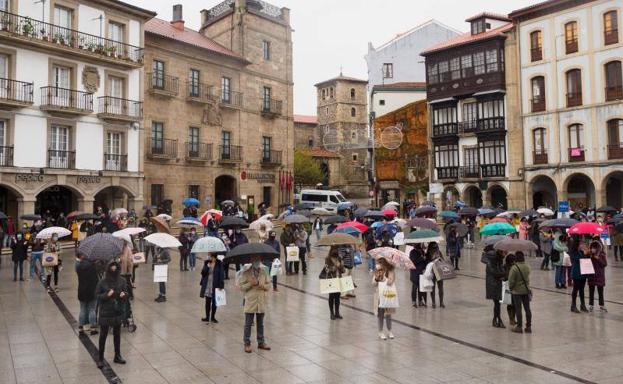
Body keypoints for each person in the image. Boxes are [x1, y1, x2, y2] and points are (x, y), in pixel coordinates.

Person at [95, 261, 128, 368]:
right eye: (112, 269)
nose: (114, 271)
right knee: (103, 335)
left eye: (116, 269)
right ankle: (100, 358)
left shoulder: (122, 280)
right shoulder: (102, 282)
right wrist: (106, 295)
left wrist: (124, 295)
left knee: (117, 335)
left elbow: (127, 293)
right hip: (105, 312)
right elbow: (97, 296)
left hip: (117, 311)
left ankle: (117, 355)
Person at [238, 255, 271, 353]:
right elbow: (241, 287)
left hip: (261, 301)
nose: (257, 262)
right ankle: (247, 343)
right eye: (255, 260)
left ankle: (261, 342)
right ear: (251, 261)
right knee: (248, 324)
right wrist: (250, 284)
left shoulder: (264, 272)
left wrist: (259, 284)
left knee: (260, 323)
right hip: (251, 301)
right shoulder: (246, 273)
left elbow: (268, 285)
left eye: (258, 260)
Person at [507, 251, 531, 333]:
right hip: (526, 290)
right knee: (527, 309)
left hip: (517, 292)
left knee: (518, 309)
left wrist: (511, 288)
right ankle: (528, 326)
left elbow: (511, 282)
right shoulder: (527, 266)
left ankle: (519, 326)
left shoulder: (514, 268)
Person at [76, 253, 99, 335]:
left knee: (82, 309)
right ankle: (93, 328)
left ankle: (80, 328)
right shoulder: (93, 267)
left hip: (81, 290)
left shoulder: (78, 266)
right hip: (92, 291)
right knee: (92, 309)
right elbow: (96, 280)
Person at [373, 257, 396, 340]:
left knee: (388, 314)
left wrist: (384, 278)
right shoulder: (378, 271)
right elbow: (374, 284)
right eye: (379, 263)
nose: (379, 265)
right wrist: (376, 278)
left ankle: (389, 331)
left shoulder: (391, 271)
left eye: (380, 263)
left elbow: (390, 282)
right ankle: (380, 331)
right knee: (381, 314)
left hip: (388, 295)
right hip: (380, 295)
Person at [484, 247, 506, 328]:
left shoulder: (498, 259)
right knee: (497, 303)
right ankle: (497, 320)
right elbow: (494, 272)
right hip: (492, 283)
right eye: (503, 252)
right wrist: (503, 274)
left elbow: (501, 269)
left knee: (497, 303)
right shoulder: (492, 259)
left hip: (497, 282)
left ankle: (497, 319)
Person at [320, 248, 344, 320]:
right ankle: (331, 313)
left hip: (338, 279)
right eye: (334, 250)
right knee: (331, 297)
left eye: (336, 250)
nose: (335, 251)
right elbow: (327, 270)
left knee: (337, 297)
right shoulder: (328, 259)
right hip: (331, 280)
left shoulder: (339, 258)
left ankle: (337, 312)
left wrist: (341, 265)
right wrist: (335, 266)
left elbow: (343, 270)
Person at [199, 253, 224, 323]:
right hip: (208, 284)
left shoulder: (219, 263)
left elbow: (221, 274)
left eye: (211, 256)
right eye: (209, 257)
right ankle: (207, 317)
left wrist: (221, 285)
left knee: (214, 302)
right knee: (207, 301)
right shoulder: (207, 262)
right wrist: (207, 266)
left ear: (214, 257)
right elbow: (203, 273)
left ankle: (213, 317)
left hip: (215, 284)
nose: (210, 258)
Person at [570, 238, 589, 313]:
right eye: (581, 243)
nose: (582, 245)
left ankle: (583, 305)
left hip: (583, 273)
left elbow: (586, 260)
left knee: (582, 289)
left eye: (583, 243)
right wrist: (584, 254)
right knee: (575, 289)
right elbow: (576, 259)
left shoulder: (581, 251)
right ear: (577, 244)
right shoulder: (574, 252)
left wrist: (588, 253)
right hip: (576, 273)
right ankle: (573, 305)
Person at [587, 240, 607, 312]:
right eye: (592, 248)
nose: (593, 249)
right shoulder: (589, 255)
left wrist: (598, 258)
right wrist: (588, 255)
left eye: (594, 248)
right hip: (591, 275)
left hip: (599, 276)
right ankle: (591, 305)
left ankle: (601, 305)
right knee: (591, 291)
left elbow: (604, 264)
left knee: (600, 291)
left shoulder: (602, 254)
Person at [426, 242, 445, 308]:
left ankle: (441, 302)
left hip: (439, 271)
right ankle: (433, 303)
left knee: (440, 288)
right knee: (433, 288)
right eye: (434, 247)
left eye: (436, 247)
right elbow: (427, 263)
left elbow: (443, 261)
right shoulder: (428, 253)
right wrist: (432, 260)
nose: (435, 248)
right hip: (432, 272)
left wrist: (440, 259)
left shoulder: (439, 252)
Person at [503, 253, 517, 326]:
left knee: (514, 304)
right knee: (509, 303)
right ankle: (510, 319)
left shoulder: (515, 267)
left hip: (514, 287)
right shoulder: (505, 267)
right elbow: (504, 276)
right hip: (507, 287)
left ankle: (513, 318)